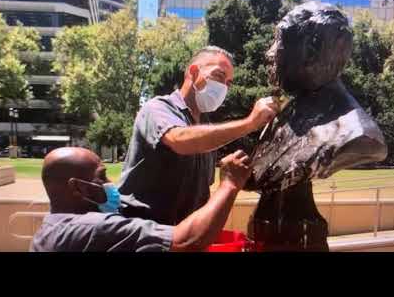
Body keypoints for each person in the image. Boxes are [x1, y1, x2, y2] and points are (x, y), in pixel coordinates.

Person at [118, 46, 279, 225]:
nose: (224, 87)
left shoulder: (205, 130)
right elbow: (179, 140)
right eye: (219, 76)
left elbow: (199, 195)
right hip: (140, 234)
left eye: (228, 83)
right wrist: (250, 123)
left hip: (180, 237)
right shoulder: (157, 108)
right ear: (193, 72)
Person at [30, 147, 252, 252]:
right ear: (77, 188)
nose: (110, 183)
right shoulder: (94, 228)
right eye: (102, 176)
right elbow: (187, 241)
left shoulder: (48, 229)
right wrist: (229, 184)